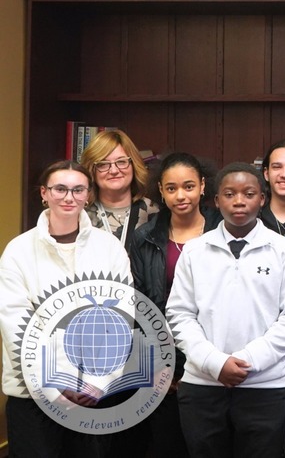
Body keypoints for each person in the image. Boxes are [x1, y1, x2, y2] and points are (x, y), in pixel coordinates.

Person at [166, 162, 285, 458]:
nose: (239, 201)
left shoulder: (284, 250)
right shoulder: (195, 250)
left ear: (263, 198)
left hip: (265, 386)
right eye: (229, 194)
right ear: (216, 200)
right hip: (203, 385)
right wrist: (215, 362)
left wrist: (248, 361)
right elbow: (179, 315)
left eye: (249, 193)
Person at [0, 160, 131, 457]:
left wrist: (97, 383)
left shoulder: (109, 248)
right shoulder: (18, 251)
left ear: (88, 195)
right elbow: (15, 326)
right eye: (60, 189)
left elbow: (120, 317)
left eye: (78, 189)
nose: (69, 197)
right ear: (44, 193)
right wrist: (52, 386)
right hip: (32, 396)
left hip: (93, 393)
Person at [130, 152, 221, 458]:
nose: (180, 195)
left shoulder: (225, 230)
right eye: (171, 188)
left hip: (214, 357)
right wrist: (158, 366)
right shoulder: (145, 237)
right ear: (161, 190)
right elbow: (139, 304)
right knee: (166, 444)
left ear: (203, 186)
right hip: (162, 359)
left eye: (188, 186)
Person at [80, 129, 159, 249]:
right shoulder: (79, 215)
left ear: (134, 165)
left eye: (121, 162)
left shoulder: (154, 213)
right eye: (103, 164)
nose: (114, 171)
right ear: (92, 170)